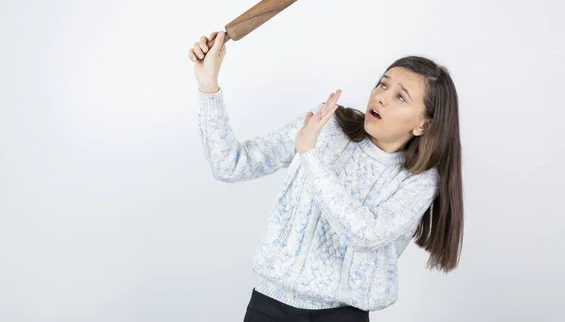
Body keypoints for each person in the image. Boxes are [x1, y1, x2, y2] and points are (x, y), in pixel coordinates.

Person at [189, 31, 464, 321]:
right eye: (383, 84)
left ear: (423, 125)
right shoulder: (327, 124)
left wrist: (310, 156)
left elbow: (366, 235)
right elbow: (231, 165)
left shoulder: (419, 180)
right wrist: (208, 87)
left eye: (399, 96)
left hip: (342, 315)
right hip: (269, 305)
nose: (381, 97)